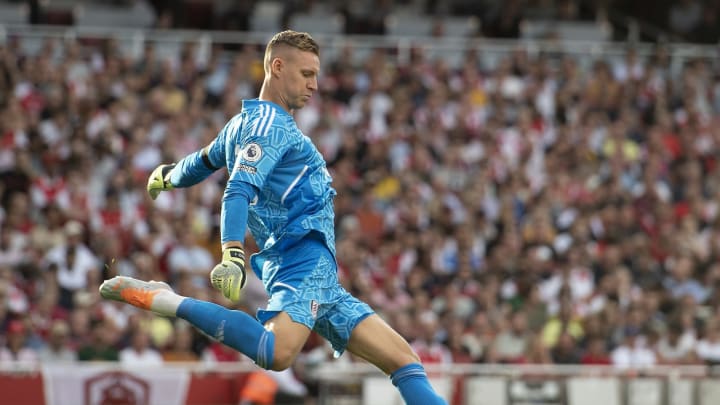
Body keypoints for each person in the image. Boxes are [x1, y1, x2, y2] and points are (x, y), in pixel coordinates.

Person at [99, 30, 447, 405]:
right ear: (277, 67)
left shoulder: (241, 125)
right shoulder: (270, 126)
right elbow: (237, 190)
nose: (315, 85)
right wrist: (232, 254)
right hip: (302, 260)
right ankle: (165, 300)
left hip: (319, 274)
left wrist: (168, 176)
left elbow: (201, 162)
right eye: (306, 74)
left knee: (404, 361)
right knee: (277, 353)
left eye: (316, 74)